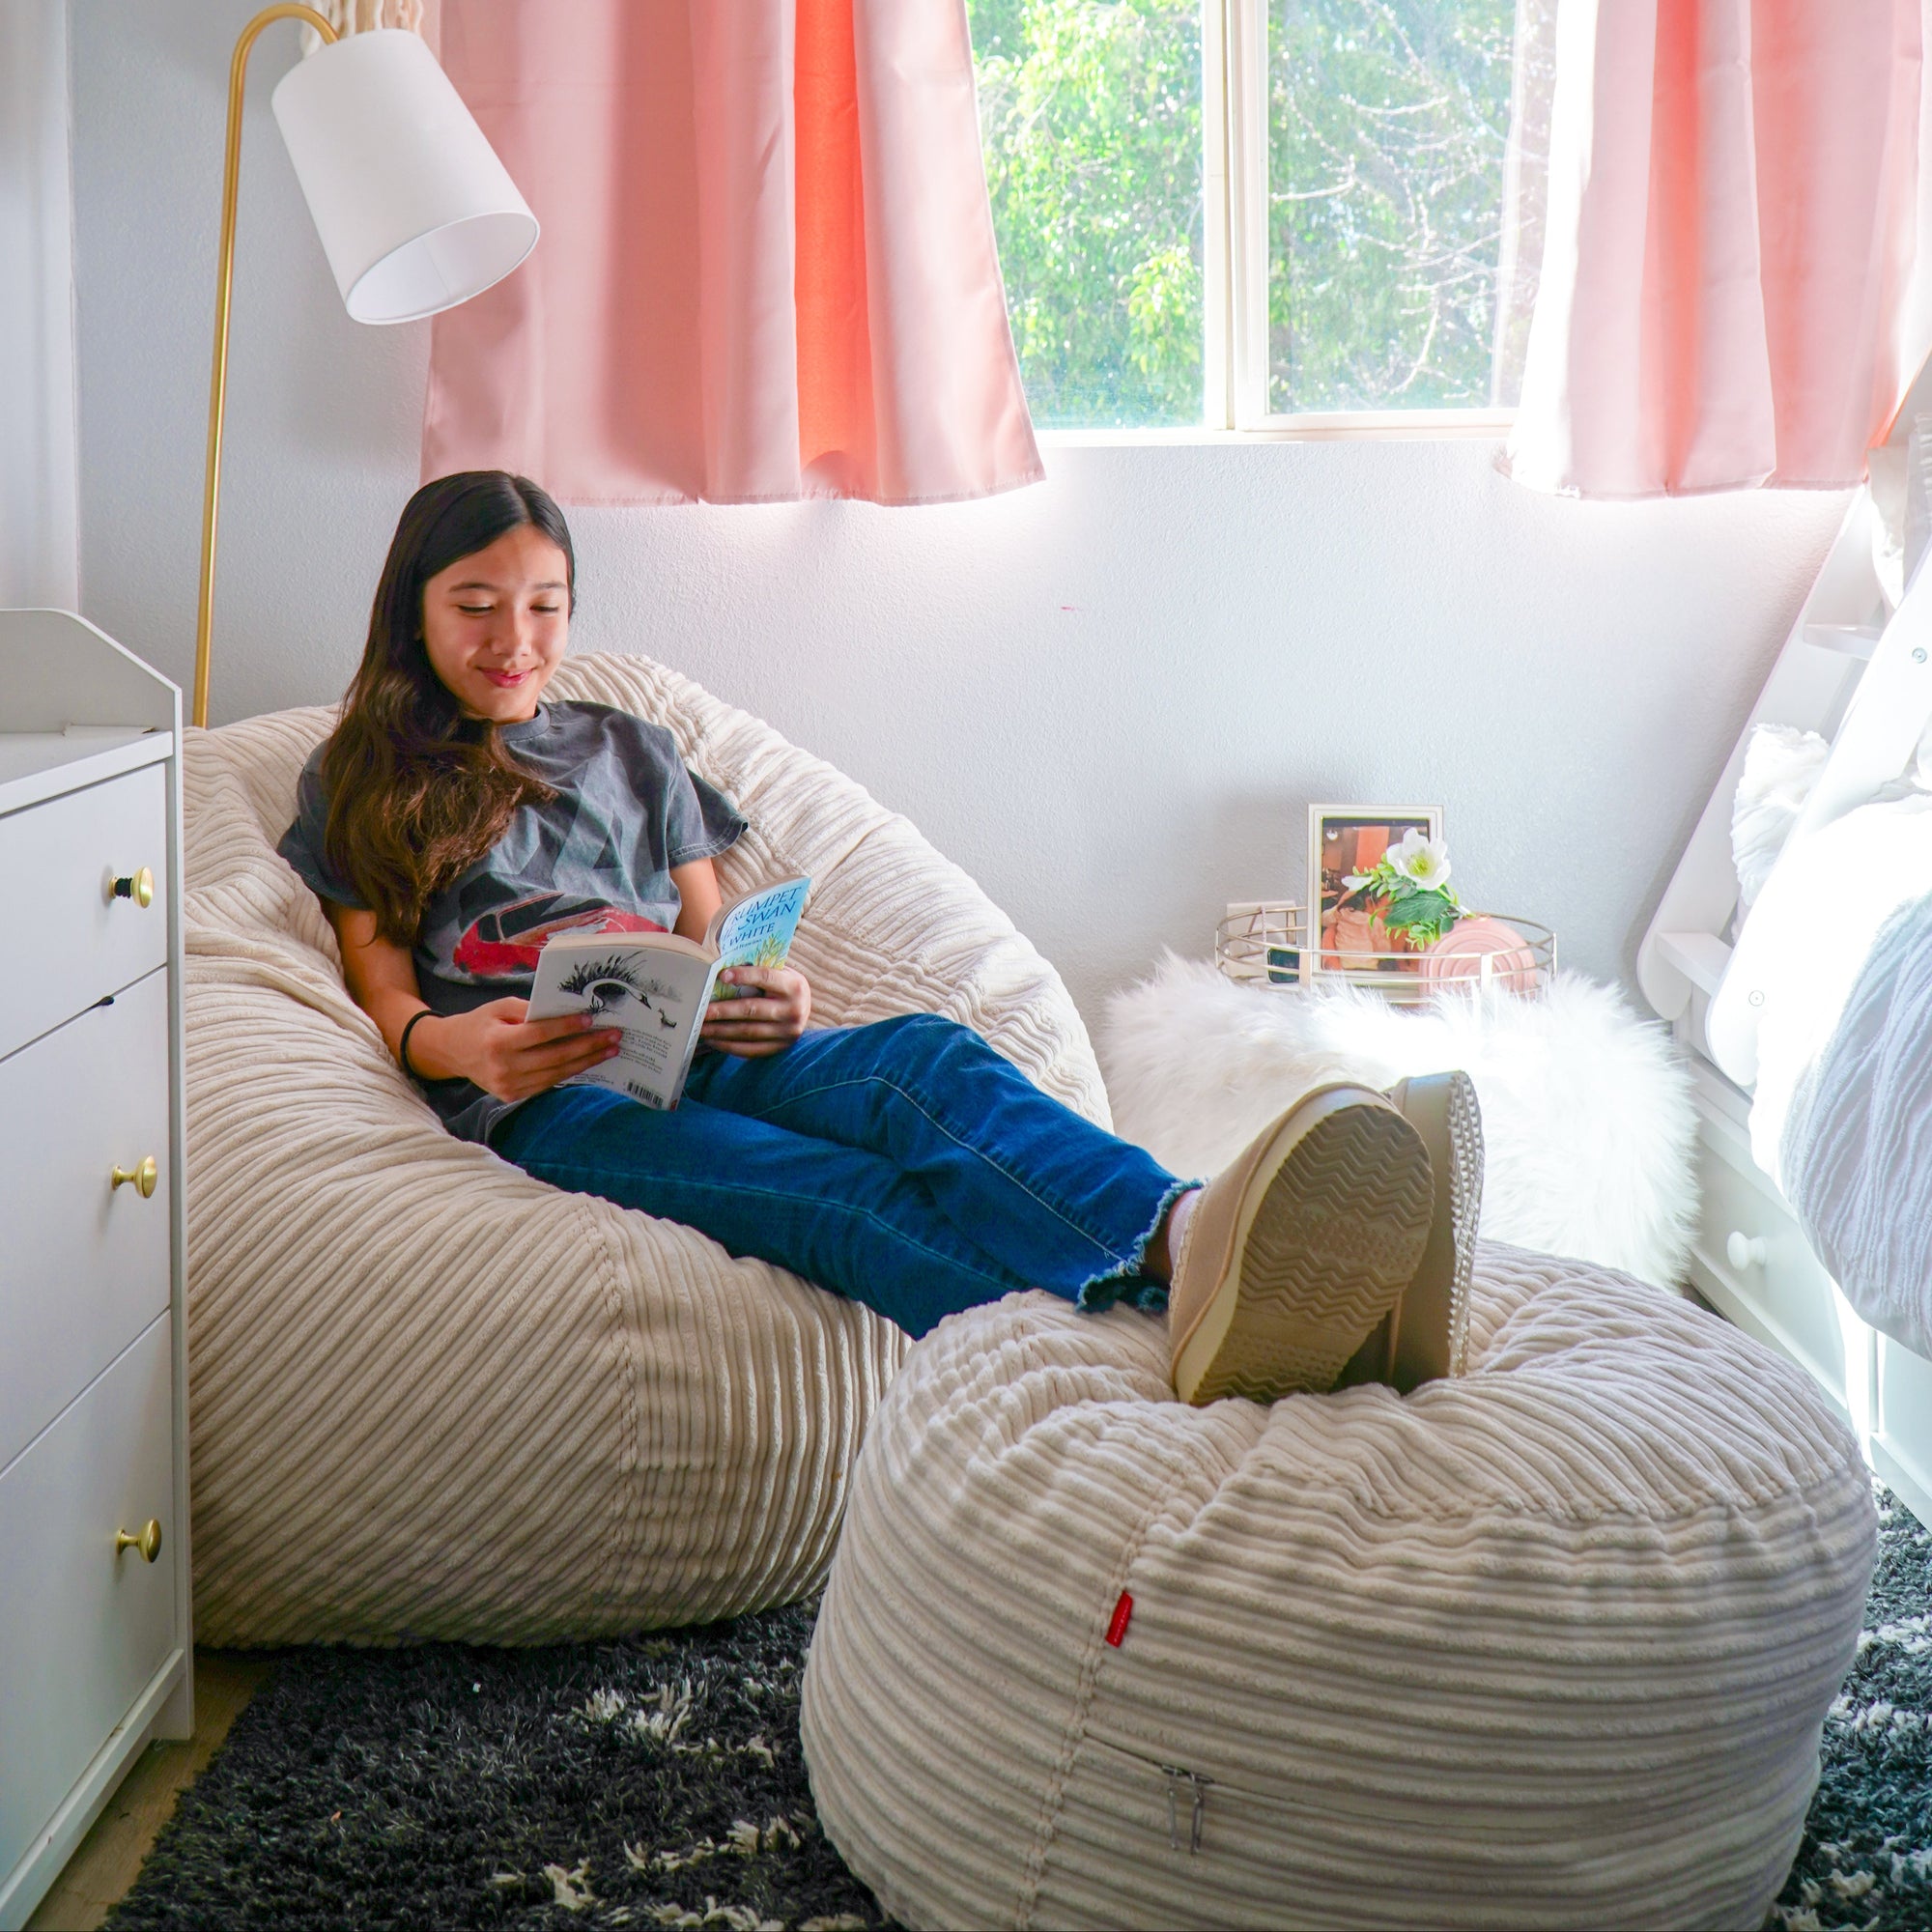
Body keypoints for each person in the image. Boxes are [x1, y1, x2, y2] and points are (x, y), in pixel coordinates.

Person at [278, 470, 1482, 1406]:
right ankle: (1147, 1356)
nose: (515, 639)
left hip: (689, 1046)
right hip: (547, 1099)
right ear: (414, 612)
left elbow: (708, 931)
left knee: (921, 1059)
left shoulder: (628, 746)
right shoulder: (360, 773)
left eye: (544, 606)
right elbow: (379, 981)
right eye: (475, 607)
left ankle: (1194, 1231)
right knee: (833, 1192)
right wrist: (457, 1047)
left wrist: (764, 991)